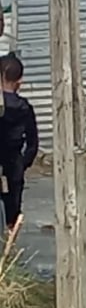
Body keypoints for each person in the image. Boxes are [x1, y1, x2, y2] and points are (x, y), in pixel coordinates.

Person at [0, 54, 36, 232]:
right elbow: (33, 144)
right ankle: (9, 252)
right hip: (14, 165)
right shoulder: (25, 108)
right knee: (12, 216)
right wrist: (23, 164)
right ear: (19, 81)